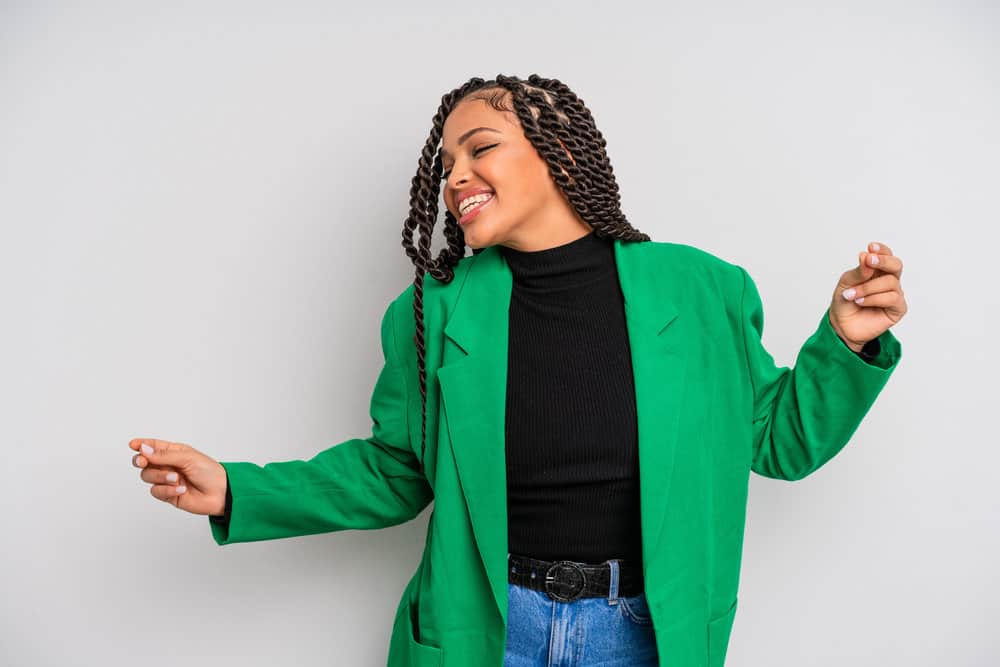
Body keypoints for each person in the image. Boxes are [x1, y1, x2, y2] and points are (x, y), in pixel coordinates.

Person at [129, 74, 906, 666]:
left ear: (560, 150)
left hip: (642, 629)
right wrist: (238, 488)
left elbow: (776, 441)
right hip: (487, 627)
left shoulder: (703, 290)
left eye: (481, 147)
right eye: (447, 163)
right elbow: (396, 471)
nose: (456, 175)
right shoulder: (431, 313)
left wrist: (845, 340)